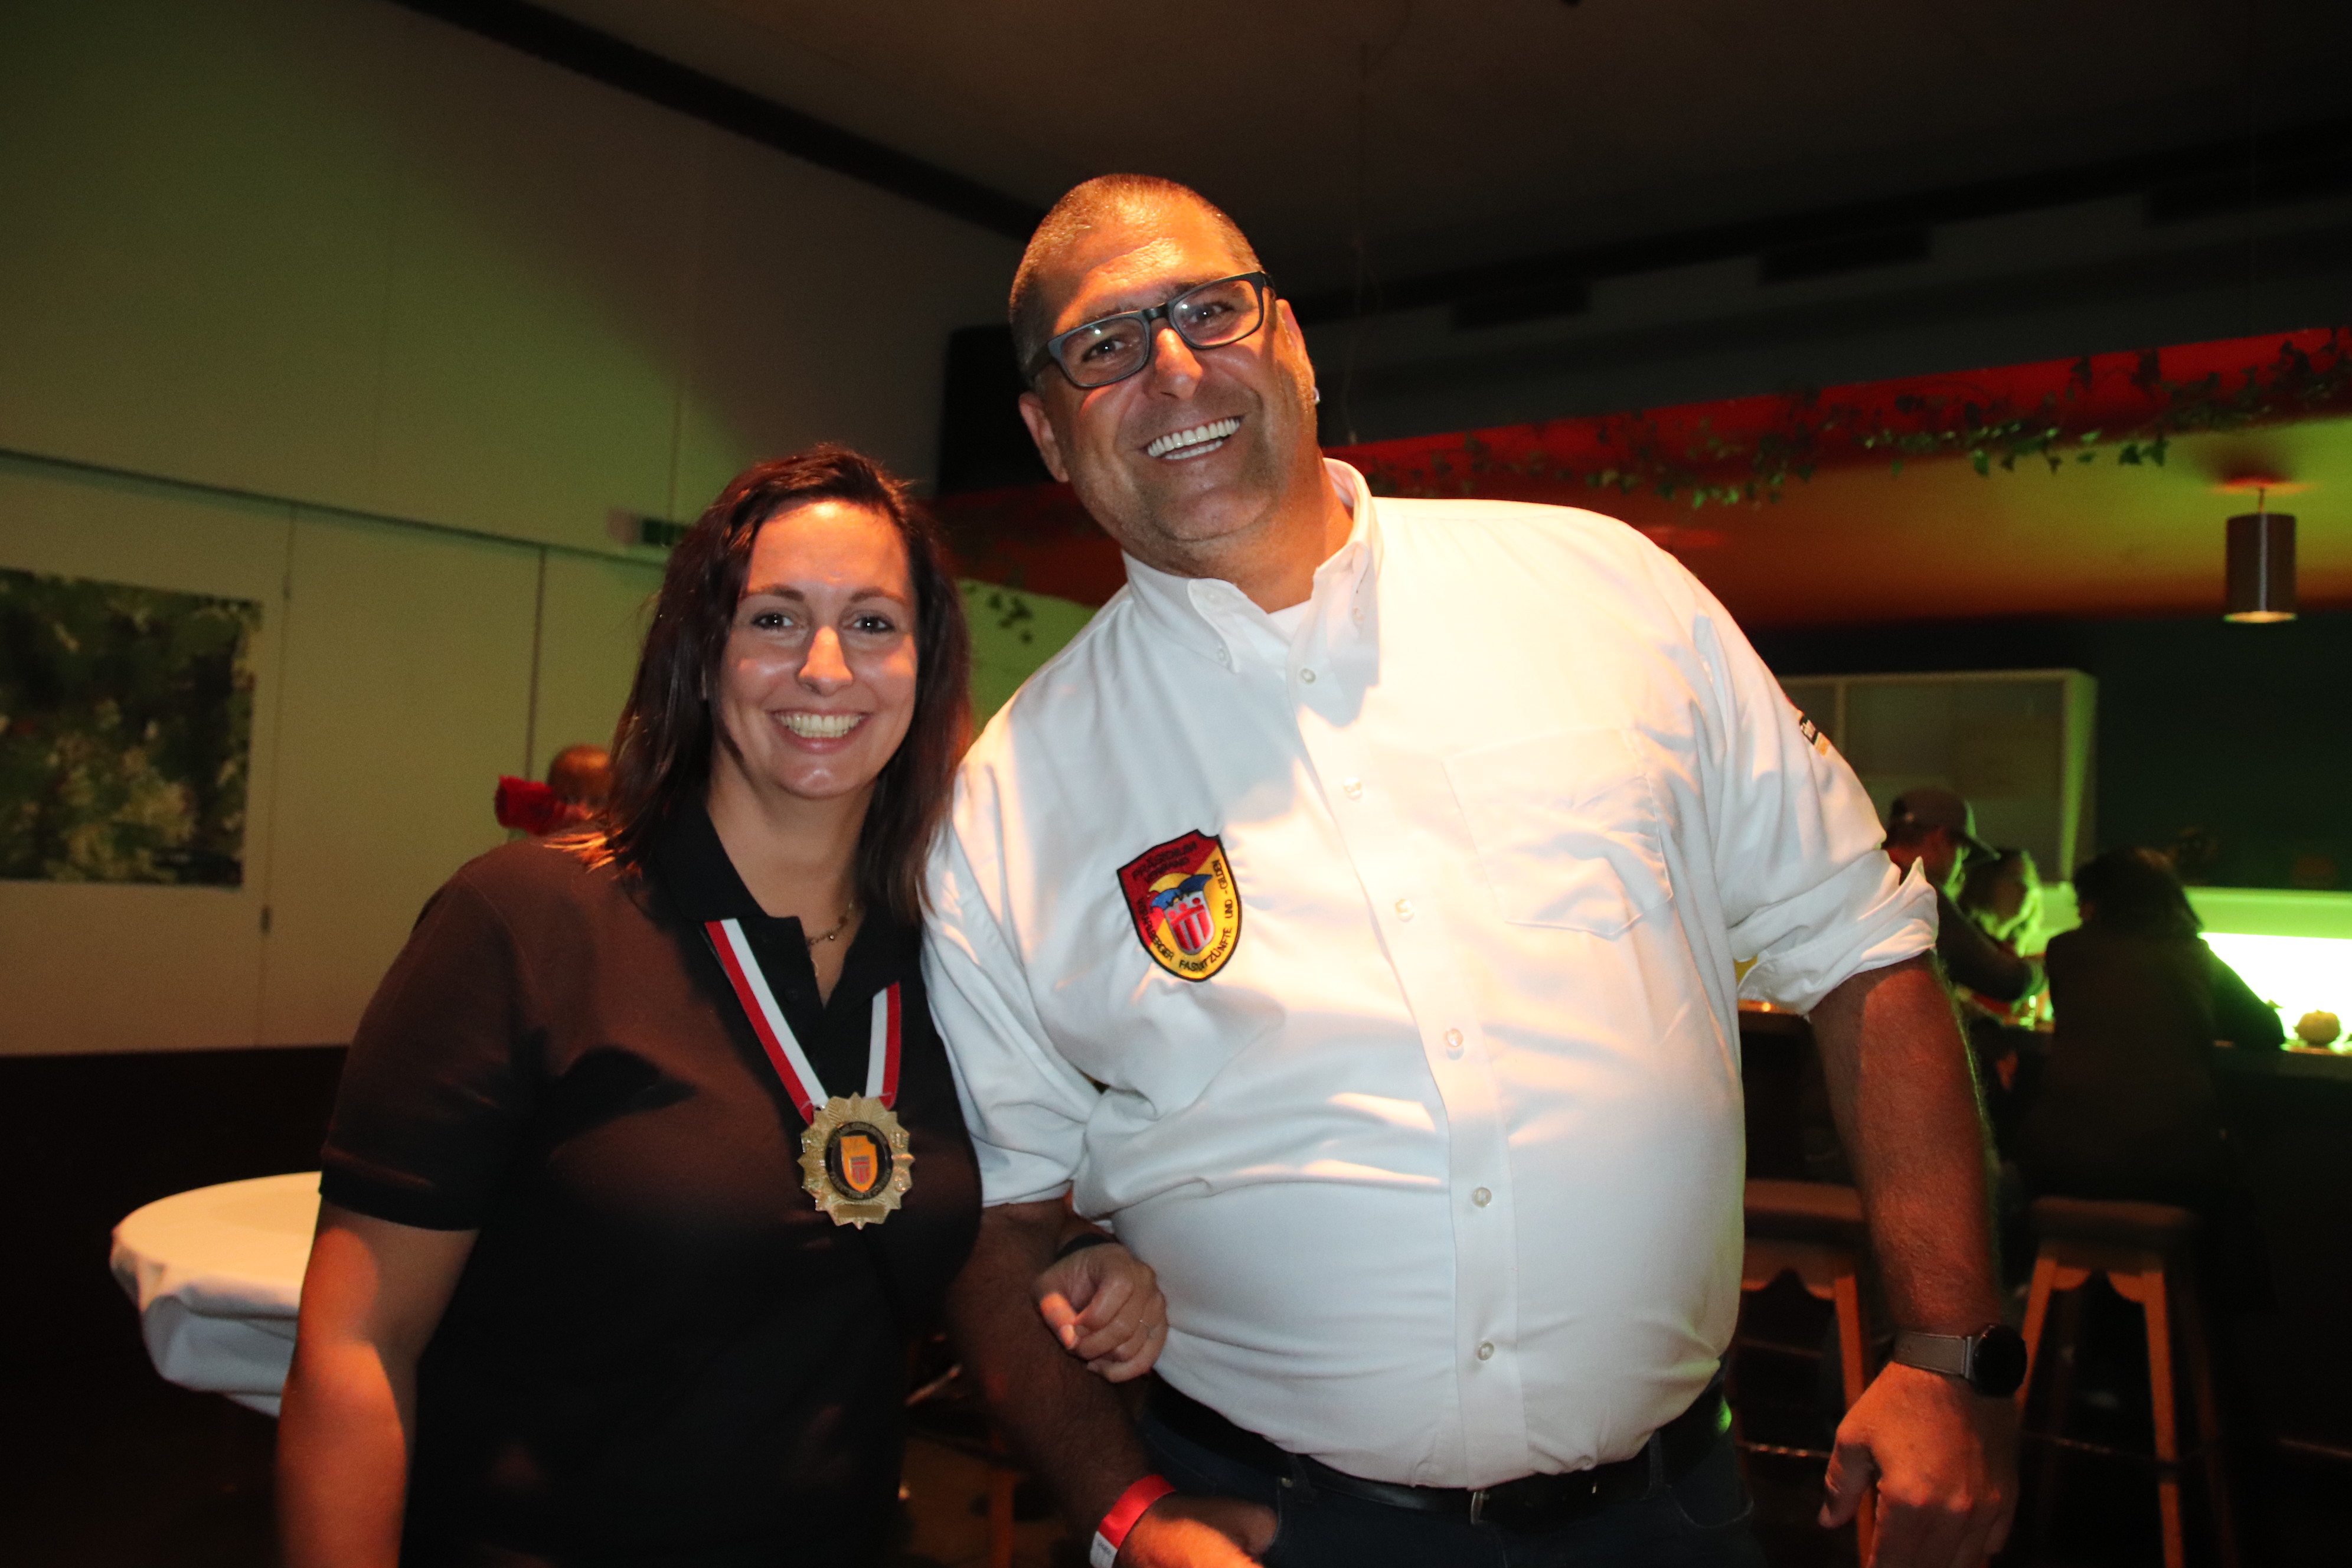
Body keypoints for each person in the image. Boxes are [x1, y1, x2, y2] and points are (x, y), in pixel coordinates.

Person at [929, 176, 2018, 1568]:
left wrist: (1950, 1346)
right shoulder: (1010, 800)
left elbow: (1862, 948)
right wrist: (1127, 1514)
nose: (1177, 367)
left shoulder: (1606, 595)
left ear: (1293, 343)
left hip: (1669, 1516)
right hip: (1275, 1530)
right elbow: (998, 1217)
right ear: (1047, 431)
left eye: (1211, 309)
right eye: (1106, 343)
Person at [279, 449, 1166, 1568]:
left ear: (925, 665)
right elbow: (356, 1344)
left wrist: (1087, 1257)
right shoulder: (527, 923)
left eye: (874, 624)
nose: (826, 669)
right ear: (702, 656)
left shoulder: (949, 956)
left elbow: (973, 1214)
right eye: (775, 619)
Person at [2018, 847, 2284, 1209]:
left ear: (2098, 903)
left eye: (2083, 901)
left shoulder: (2064, 950)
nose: (2080, 912)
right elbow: (2267, 1031)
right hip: (2171, 1168)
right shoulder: (2195, 957)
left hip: (2062, 1162)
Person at [1882, 786, 2041, 1011]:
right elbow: (2008, 981)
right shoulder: (1914, 891)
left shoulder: (1869, 876)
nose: (1960, 868)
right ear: (1940, 839)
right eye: (1963, 853)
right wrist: (2045, 968)